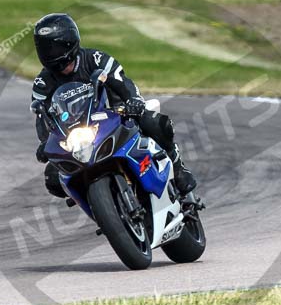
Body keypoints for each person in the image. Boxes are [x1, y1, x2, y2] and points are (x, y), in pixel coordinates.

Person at [30, 13, 197, 198]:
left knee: (154, 123)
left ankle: (177, 167)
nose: (49, 53)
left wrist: (133, 101)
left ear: (69, 42)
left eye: (54, 47)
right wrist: (45, 142)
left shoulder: (95, 59)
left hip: (117, 116)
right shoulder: (42, 83)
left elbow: (122, 82)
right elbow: (41, 116)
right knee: (53, 178)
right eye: (45, 48)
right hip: (80, 136)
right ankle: (96, 202)